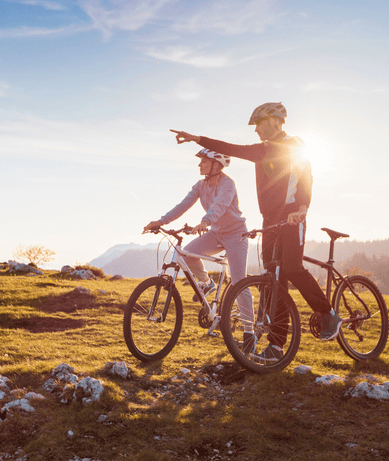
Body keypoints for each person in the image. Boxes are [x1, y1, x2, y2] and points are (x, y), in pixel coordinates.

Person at [171, 102, 342, 362]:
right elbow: (236, 150)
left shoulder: (292, 145)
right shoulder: (264, 151)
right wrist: (198, 139)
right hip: (270, 220)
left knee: (292, 269)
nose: (256, 131)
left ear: (274, 121)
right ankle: (276, 347)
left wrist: (303, 208)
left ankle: (329, 313)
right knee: (272, 283)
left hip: (293, 217)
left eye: (259, 125)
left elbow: (306, 175)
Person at [144, 148, 255, 344]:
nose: (199, 165)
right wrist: (161, 222)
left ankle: (249, 331)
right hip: (216, 233)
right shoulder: (200, 185)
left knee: (239, 281)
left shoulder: (228, 184)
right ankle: (207, 283)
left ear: (216, 164)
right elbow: (183, 205)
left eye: (203, 161)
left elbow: (220, 204)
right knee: (187, 254)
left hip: (236, 234)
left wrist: (205, 221)